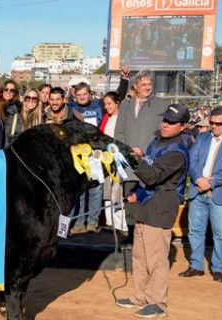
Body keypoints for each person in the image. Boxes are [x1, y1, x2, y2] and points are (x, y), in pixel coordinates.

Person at [116, 104, 190, 318]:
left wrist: (134, 159)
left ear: (183, 127)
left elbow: (152, 176)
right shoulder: (157, 141)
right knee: (139, 255)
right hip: (146, 205)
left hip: (161, 208)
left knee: (156, 259)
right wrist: (136, 194)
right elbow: (147, 177)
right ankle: (140, 296)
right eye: (164, 119)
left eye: (171, 122)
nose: (165, 124)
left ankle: (158, 302)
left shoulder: (177, 152)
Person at [179, 108, 222, 283]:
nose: (214, 126)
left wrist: (209, 183)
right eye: (212, 122)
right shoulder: (202, 137)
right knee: (195, 231)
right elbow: (191, 160)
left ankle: (218, 268)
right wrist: (199, 179)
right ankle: (196, 265)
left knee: (220, 233)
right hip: (198, 190)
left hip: (220, 193)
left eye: (218, 123)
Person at [113, 70, 171, 230]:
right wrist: (124, 152)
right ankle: (132, 243)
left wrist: (145, 151)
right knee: (130, 208)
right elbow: (119, 131)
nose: (147, 87)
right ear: (136, 86)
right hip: (129, 165)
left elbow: (162, 133)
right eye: (143, 84)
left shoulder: (162, 105)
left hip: (150, 165)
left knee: (148, 207)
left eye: (150, 84)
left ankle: (146, 243)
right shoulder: (125, 105)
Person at [69, 81, 105, 234]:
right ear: (74, 96)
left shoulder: (98, 106)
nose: (82, 97)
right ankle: (78, 222)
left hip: (95, 155)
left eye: (85, 94)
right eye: (79, 95)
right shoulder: (71, 108)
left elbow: (118, 96)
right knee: (80, 191)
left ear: (90, 94)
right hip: (78, 156)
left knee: (95, 189)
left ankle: (92, 222)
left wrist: (123, 80)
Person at [99, 91, 128, 235]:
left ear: (117, 103)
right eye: (105, 104)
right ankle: (109, 221)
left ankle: (121, 223)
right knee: (107, 190)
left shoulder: (123, 119)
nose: (106, 107)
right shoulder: (106, 119)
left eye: (109, 103)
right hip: (106, 160)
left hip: (118, 160)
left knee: (118, 190)